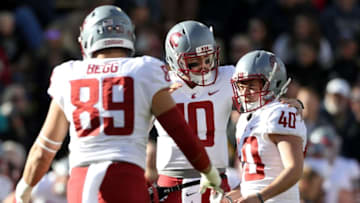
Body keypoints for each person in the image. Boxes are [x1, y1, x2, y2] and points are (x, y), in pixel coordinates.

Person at [13, 5, 222, 203]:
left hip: (80, 181)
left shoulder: (68, 74)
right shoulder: (144, 70)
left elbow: (45, 148)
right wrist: (208, 171)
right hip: (124, 180)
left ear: (86, 40)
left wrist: (24, 188)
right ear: (129, 36)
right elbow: (179, 131)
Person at [147, 21, 304, 203]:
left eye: (207, 59)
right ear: (175, 59)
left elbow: (261, 87)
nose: (204, 67)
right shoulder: (160, 81)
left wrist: (286, 101)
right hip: (173, 180)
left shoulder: (228, 76)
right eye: (194, 63)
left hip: (216, 180)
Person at [222, 50, 307, 203]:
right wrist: (226, 198)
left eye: (252, 85)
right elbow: (252, 182)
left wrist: (261, 197)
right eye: (241, 86)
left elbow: (294, 170)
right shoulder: (244, 120)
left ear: (273, 83)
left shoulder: (281, 112)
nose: (244, 92)